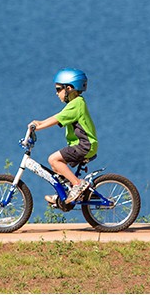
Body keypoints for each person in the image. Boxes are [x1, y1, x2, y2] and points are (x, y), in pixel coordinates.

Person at [29, 68, 98, 205]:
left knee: (53, 159)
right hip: (82, 145)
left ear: (70, 88)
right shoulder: (75, 103)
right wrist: (40, 122)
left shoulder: (77, 104)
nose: (56, 93)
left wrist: (39, 126)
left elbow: (57, 120)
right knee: (56, 167)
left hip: (84, 145)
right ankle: (64, 194)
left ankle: (77, 184)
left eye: (58, 89)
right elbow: (57, 116)